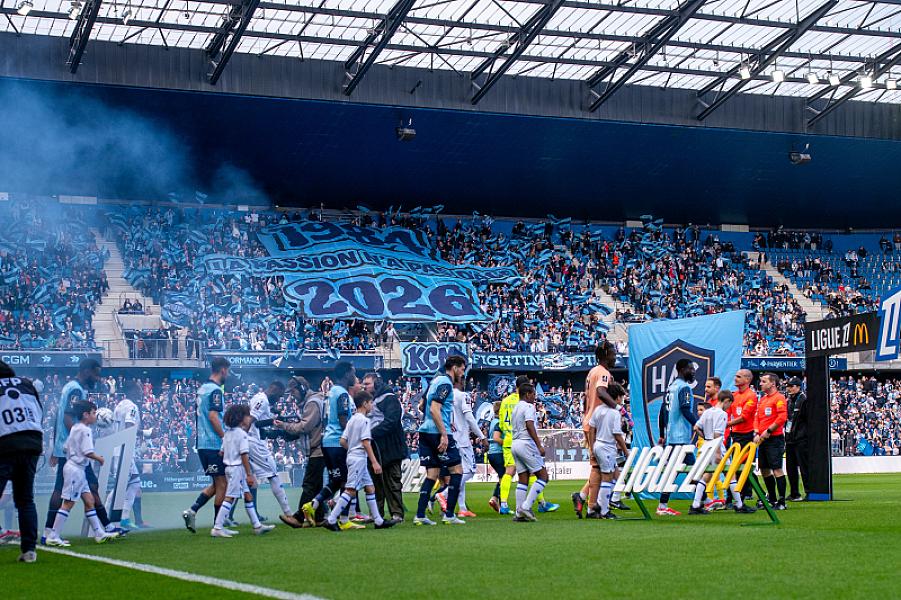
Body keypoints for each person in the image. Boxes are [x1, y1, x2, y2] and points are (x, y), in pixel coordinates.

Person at [44, 358, 119, 543]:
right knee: (67, 493)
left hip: (67, 451)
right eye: (96, 373)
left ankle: (103, 529)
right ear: (86, 371)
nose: (97, 377)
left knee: (87, 491)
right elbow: (67, 418)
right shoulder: (76, 389)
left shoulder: (71, 387)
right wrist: (77, 441)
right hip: (74, 457)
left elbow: (59, 416)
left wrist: (56, 446)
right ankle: (50, 532)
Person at [322, 390, 396, 532]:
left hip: (352, 456)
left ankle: (378, 520)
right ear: (365, 404)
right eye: (371, 403)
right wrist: (374, 462)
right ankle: (331, 519)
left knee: (370, 488)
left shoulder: (352, 420)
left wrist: (351, 449)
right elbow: (366, 442)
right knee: (350, 489)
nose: (372, 406)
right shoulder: (364, 420)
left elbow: (343, 441)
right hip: (359, 459)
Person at [302, 362, 360, 529]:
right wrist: (353, 438)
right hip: (338, 442)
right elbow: (343, 421)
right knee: (346, 482)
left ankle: (312, 505)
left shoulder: (331, 392)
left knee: (336, 480)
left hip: (327, 442)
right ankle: (343, 519)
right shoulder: (342, 394)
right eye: (353, 373)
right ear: (346, 374)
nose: (354, 377)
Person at [414, 355, 468, 526]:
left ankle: (420, 515)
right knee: (457, 471)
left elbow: (422, 406)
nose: (462, 373)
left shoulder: (434, 382)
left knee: (432, 474)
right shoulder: (445, 383)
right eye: (462, 369)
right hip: (437, 433)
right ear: (454, 367)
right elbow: (434, 408)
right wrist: (444, 433)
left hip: (425, 431)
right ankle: (450, 514)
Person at [0, 361, 43, 563]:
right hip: (32, 442)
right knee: (25, 499)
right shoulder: (26, 384)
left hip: (5, 443)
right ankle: (29, 550)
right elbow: (38, 411)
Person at [210, 404, 275, 538]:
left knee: (247, 495)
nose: (249, 418)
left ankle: (257, 526)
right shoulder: (242, 434)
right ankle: (217, 527)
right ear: (241, 418)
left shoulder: (227, 433)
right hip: (237, 469)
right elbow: (244, 454)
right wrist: (249, 474)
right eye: (247, 415)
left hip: (229, 468)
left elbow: (221, 452)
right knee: (230, 497)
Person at [182, 356, 230, 533]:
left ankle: (192, 510)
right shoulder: (216, 390)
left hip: (202, 443)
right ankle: (218, 526)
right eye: (228, 371)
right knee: (223, 483)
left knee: (217, 484)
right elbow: (212, 416)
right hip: (213, 444)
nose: (228, 374)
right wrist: (225, 438)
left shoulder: (201, 389)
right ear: (223, 369)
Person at [573, 341, 619, 518]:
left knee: (599, 467)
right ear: (605, 354)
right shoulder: (603, 372)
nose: (615, 357)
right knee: (599, 467)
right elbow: (601, 391)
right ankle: (594, 506)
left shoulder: (593, 371)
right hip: (597, 424)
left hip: (590, 420)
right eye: (613, 353)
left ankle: (584, 497)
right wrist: (617, 407)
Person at [691, 392, 756, 514]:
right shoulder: (722, 414)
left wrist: (705, 438)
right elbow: (718, 434)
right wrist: (718, 452)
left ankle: (695, 505)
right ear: (726, 400)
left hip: (706, 446)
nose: (729, 407)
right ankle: (739, 505)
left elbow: (696, 428)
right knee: (731, 474)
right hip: (717, 448)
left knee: (707, 475)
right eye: (729, 404)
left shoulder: (707, 412)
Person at [276, 377, 326, 528]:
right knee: (316, 485)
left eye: (294, 392)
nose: (293, 396)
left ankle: (298, 517)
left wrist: (284, 425)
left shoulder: (312, 403)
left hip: (318, 449)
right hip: (319, 448)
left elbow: (304, 427)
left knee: (309, 484)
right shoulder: (314, 401)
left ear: (303, 388)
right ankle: (319, 517)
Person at [655, 359, 699, 516]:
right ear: (681, 369)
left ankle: (702, 501)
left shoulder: (670, 388)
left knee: (690, 470)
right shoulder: (684, 387)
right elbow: (686, 410)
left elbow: (663, 412)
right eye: (690, 369)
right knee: (684, 470)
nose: (693, 371)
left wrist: (662, 434)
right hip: (680, 438)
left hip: (672, 438)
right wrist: (698, 425)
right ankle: (662, 505)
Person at [362, 372, 407, 524]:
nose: (364, 386)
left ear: (376, 383)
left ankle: (397, 514)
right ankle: (376, 514)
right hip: (376, 448)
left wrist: (370, 433)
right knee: (376, 483)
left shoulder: (390, 398)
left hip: (391, 448)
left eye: (367, 383)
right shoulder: (371, 401)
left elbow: (392, 421)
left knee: (392, 482)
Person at [248, 381, 294, 520]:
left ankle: (229, 517)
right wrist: (273, 421)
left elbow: (260, 425)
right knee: (273, 475)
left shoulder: (259, 398)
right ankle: (288, 513)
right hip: (255, 443)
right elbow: (253, 421)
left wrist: (273, 432)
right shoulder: (262, 400)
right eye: (279, 396)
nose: (279, 399)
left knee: (246, 481)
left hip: (253, 440)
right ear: (274, 391)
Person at [439, 380, 485, 518]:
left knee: (461, 471)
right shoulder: (462, 395)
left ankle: (462, 508)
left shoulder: (446, 396)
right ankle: (444, 494)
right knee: (470, 471)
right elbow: (469, 417)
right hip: (463, 440)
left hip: (452, 438)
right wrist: (481, 436)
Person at [586, 382, 629, 520]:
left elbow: (591, 429)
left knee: (614, 475)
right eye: (621, 397)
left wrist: (592, 446)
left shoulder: (598, 409)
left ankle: (602, 503)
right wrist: (625, 450)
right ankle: (603, 510)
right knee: (607, 479)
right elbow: (617, 434)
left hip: (599, 445)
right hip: (607, 447)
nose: (622, 400)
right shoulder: (614, 413)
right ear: (616, 398)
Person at [509, 383, 548, 522]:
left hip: (515, 444)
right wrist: (539, 445)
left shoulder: (515, 408)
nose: (534, 397)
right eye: (533, 394)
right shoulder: (529, 407)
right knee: (543, 476)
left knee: (523, 478)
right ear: (527, 394)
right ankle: (525, 507)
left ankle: (519, 513)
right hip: (526, 444)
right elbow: (529, 425)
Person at [111, 381, 145, 530]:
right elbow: (129, 426)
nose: (141, 392)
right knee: (122, 485)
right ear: (133, 391)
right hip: (124, 450)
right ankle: (108, 516)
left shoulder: (119, 405)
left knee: (134, 482)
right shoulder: (131, 407)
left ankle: (124, 518)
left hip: (118, 448)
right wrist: (146, 433)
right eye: (138, 389)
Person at [755, 373, 789, 510]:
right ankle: (772, 499)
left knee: (777, 469)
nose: (761, 383)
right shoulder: (763, 400)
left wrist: (768, 431)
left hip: (774, 438)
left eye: (764, 381)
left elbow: (782, 417)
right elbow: (757, 418)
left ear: (772, 384)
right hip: (763, 439)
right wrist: (757, 432)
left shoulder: (779, 398)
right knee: (764, 469)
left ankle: (782, 501)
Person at [497, 375, 529, 515]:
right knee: (532, 471)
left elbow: (501, 423)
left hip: (508, 440)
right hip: (521, 439)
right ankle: (540, 502)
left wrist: (507, 433)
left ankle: (503, 503)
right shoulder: (524, 401)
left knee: (509, 471)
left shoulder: (505, 401)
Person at [726, 368, 760, 501]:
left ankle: (753, 493)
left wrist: (727, 424)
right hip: (736, 435)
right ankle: (742, 494)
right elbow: (729, 413)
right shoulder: (734, 395)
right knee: (738, 466)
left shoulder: (751, 395)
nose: (735, 378)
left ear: (747, 379)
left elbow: (744, 417)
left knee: (744, 466)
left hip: (746, 435)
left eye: (739, 376)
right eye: (735, 376)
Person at [784, 377, 810, 502]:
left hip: (801, 438)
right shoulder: (789, 400)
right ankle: (794, 493)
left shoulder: (804, 400)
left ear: (798, 387)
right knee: (790, 467)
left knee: (804, 467)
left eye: (791, 386)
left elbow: (807, 420)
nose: (789, 388)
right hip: (790, 438)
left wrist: (803, 434)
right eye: (788, 386)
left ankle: (809, 491)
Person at [486, 401, 506, 512]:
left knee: (502, 477)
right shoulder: (498, 422)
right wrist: (509, 443)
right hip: (498, 452)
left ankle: (497, 501)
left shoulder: (492, 422)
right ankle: (495, 498)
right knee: (504, 478)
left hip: (491, 453)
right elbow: (497, 438)